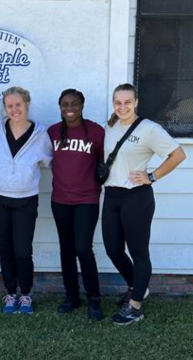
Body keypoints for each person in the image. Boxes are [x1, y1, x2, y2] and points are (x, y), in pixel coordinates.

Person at [102, 83, 186, 325]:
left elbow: (178, 154)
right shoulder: (110, 126)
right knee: (113, 249)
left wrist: (152, 176)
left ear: (136, 102)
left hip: (136, 197)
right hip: (112, 196)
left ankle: (136, 306)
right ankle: (138, 287)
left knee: (138, 251)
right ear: (113, 104)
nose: (123, 106)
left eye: (127, 102)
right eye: (118, 102)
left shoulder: (149, 129)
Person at [0, 86, 52, 314]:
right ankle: (10, 294)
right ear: (4, 108)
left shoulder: (41, 133)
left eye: (18, 105)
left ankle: (25, 294)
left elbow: (51, 162)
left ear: (27, 104)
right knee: (5, 249)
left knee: (23, 250)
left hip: (25, 199)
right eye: (9, 105)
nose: (14, 109)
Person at [48, 89, 104, 321]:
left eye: (74, 103)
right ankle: (72, 297)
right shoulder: (52, 131)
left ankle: (94, 299)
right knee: (67, 250)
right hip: (60, 199)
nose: (69, 107)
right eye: (65, 104)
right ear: (60, 106)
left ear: (82, 105)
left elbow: (105, 159)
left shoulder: (95, 131)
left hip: (87, 199)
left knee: (83, 249)